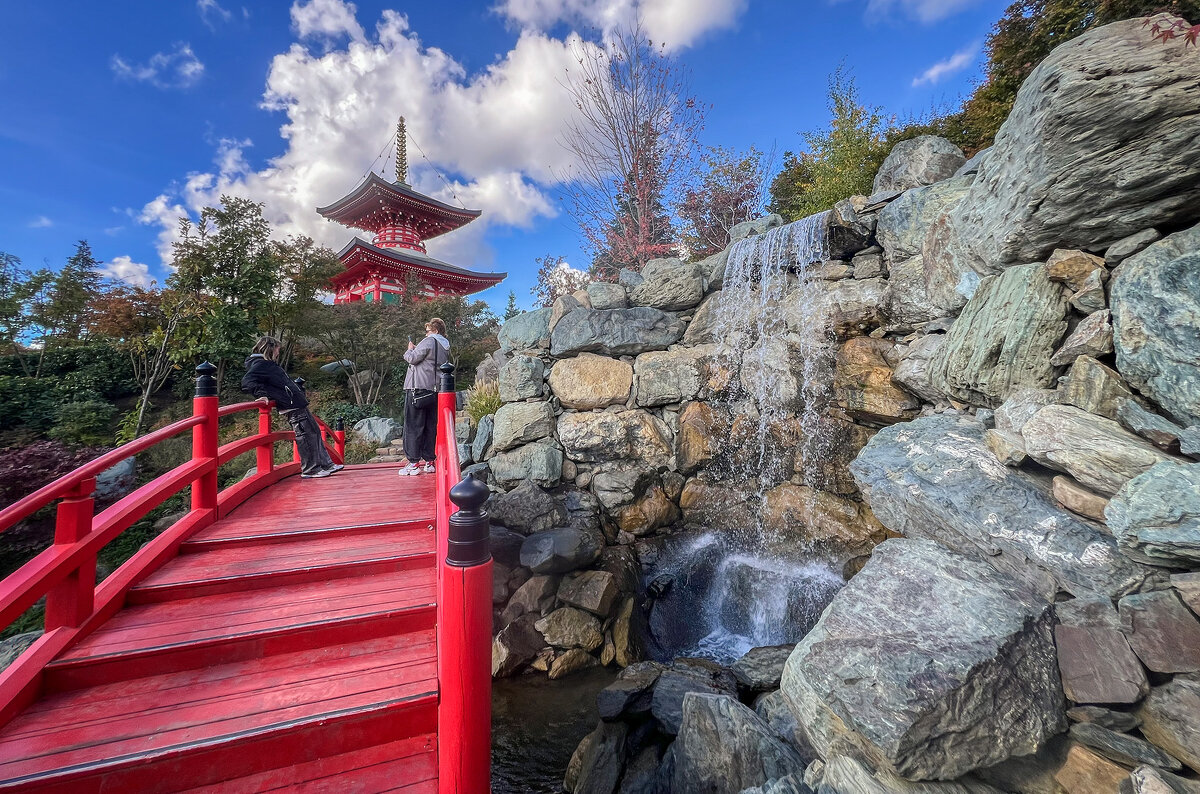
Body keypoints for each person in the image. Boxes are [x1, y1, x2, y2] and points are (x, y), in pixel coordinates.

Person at [241, 336, 342, 480]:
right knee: (305, 436)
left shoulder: (265, 364)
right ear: (270, 348)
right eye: (277, 349)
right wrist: (261, 394)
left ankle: (326, 464)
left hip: (295, 402)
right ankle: (310, 469)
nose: (278, 353)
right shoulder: (261, 364)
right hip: (290, 404)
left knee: (313, 432)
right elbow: (247, 381)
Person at [399, 318, 450, 476]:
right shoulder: (444, 345)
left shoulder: (429, 341)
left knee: (413, 426)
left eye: (428, 331)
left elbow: (413, 359)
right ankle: (429, 462)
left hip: (418, 388)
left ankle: (413, 463)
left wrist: (409, 349)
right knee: (430, 426)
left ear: (435, 330)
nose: (426, 334)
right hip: (434, 389)